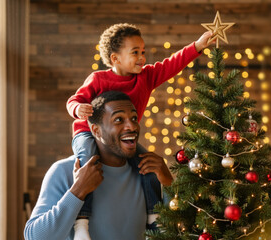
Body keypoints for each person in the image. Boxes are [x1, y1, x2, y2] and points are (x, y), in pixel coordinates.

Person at [65, 23, 214, 239]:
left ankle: (154, 217)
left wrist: (198, 46)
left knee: (148, 164)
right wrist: (78, 109)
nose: (142, 57)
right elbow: (74, 100)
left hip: (122, 139)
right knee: (88, 161)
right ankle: (81, 222)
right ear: (115, 58)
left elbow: (172, 64)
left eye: (143, 52)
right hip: (87, 132)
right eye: (135, 53)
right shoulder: (98, 79)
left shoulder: (145, 77)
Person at [24, 91, 173, 240]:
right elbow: (34, 237)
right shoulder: (64, 172)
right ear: (96, 130)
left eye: (134, 118)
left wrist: (169, 184)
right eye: (119, 119)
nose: (132, 126)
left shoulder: (147, 174)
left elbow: (178, 229)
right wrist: (78, 190)